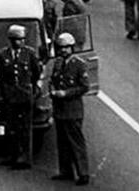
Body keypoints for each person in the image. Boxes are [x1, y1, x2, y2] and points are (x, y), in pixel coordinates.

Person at [0, 24, 42, 169]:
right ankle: (13, 156)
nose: (19, 42)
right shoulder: (3, 55)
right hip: (10, 96)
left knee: (25, 128)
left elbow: (36, 73)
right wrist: (7, 91)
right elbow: (1, 75)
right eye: (16, 39)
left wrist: (30, 89)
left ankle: (25, 159)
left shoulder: (29, 53)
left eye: (22, 39)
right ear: (11, 40)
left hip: (25, 95)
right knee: (12, 127)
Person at [49, 33, 90, 186]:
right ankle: (65, 171)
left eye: (66, 47)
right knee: (62, 142)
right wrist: (53, 90)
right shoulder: (58, 63)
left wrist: (65, 93)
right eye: (61, 48)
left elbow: (84, 87)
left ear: (72, 48)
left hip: (73, 110)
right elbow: (53, 79)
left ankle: (83, 173)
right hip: (60, 109)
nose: (64, 50)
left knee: (76, 142)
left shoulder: (79, 64)